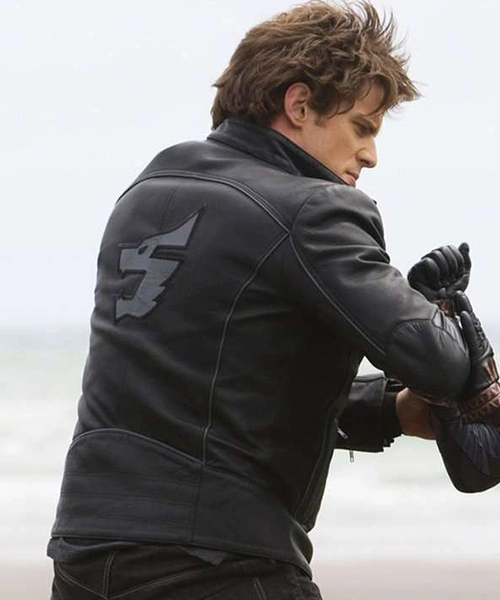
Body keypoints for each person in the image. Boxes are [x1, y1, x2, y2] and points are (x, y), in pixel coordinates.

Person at [47, 2, 490, 598]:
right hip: (218, 563)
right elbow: (441, 363)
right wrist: (437, 314)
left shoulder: (146, 194)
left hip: (84, 556)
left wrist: (390, 410)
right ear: (300, 105)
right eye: (363, 127)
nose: (371, 155)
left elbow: (207, 387)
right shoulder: (312, 208)